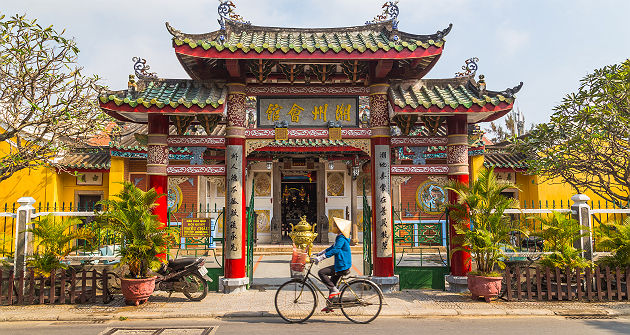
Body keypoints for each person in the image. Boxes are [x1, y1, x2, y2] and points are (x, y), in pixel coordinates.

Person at [312, 217, 352, 306]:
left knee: (321, 273)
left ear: (339, 228)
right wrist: (321, 253)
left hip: (342, 265)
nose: (334, 227)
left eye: (336, 226)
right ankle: (331, 304)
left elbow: (336, 250)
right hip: (342, 264)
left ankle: (334, 292)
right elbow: (332, 247)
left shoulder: (341, 237)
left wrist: (321, 258)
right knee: (332, 285)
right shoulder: (341, 237)